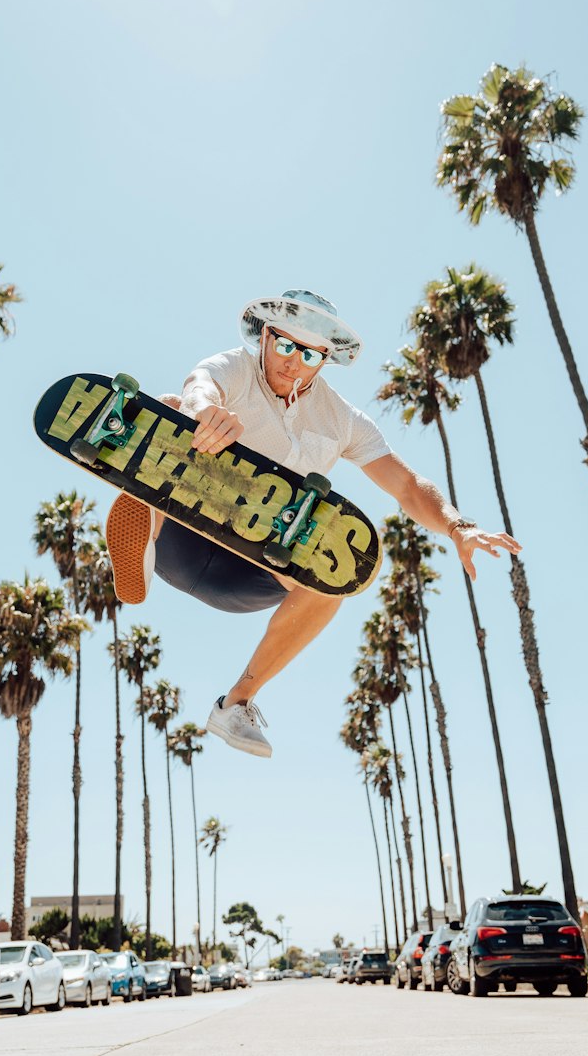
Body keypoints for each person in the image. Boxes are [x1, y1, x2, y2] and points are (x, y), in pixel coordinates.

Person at [105, 289, 520, 758]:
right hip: (185, 533)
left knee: (333, 576)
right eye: (285, 347)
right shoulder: (235, 369)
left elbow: (405, 485)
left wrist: (456, 525)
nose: (293, 364)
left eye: (308, 355)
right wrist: (204, 409)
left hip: (249, 572)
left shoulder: (342, 419)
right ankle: (143, 544)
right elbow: (200, 382)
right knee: (171, 408)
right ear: (265, 336)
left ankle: (235, 705)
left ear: (325, 358)